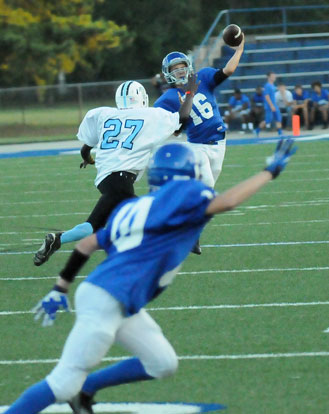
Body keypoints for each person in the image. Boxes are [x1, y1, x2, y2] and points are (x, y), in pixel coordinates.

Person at [5, 139, 297, 414]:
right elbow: (228, 202)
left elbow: (87, 243)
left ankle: (87, 389)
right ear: (190, 172)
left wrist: (61, 287)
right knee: (63, 381)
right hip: (109, 298)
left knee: (162, 363)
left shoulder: (133, 207)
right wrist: (269, 172)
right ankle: (73, 390)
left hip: (111, 295)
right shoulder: (187, 194)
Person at [33, 76, 198, 266]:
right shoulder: (150, 115)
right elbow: (183, 118)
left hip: (106, 179)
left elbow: (85, 149)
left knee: (93, 226)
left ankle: (57, 239)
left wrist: (89, 160)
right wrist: (189, 93)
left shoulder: (105, 115)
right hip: (121, 178)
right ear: (141, 98)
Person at [154, 35, 245, 253]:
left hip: (219, 145)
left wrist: (239, 50)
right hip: (197, 147)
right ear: (168, 73)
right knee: (206, 191)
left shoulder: (203, 76)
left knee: (204, 197)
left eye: (182, 67)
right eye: (174, 69)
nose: (180, 72)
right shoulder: (167, 99)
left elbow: (228, 71)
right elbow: (172, 128)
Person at [255, 72, 283, 137]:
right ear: (269, 77)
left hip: (274, 104)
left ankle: (280, 133)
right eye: (273, 76)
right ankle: (257, 130)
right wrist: (271, 105)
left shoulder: (273, 85)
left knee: (278, 118)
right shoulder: (267, 86)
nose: (274, 77)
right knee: (268, 120)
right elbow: (267, 96)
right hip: (269, 105)